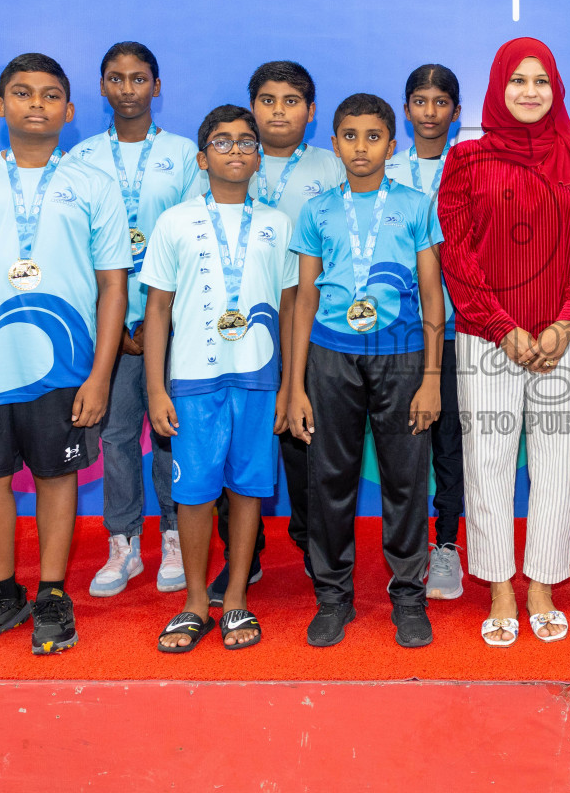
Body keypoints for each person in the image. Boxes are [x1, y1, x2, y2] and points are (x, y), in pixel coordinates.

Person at [0, 53, 130, 654]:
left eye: (49, 95)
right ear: (0, 105)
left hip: (64, 368)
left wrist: (100, 375)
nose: (35, 104)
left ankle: (53, 594)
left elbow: (114, 285)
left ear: (69, 110)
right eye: (21, 92)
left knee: (55, 477)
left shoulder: (94, 184)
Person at [437, 37, 570, 645]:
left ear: (556, 87)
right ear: (498, 88)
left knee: (558, 465)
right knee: (487, 465)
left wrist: (563, 323)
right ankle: (499, 584)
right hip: (489, 341)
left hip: (566, 340)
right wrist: (503, 328)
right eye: (518, 81)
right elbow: (456, 256)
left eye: (541, 80)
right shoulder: (466, 161)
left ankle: (542, 581)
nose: (530, 92)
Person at [287, 93, 444, 647]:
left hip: (401, 354)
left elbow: (431, 294)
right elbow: (304, 298)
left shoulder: (416, 205)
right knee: (330, 479)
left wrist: (431, 377)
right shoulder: (316, 211)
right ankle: (332, 596)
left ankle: (408, 596)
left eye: (373, 136)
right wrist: (296, 386)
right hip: (330, 356)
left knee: (405, 480)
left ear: (391, 143)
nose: (361, 147)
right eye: (349, 136)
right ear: (334, 145)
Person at [142, 105, 296, 652]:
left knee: (249, 489)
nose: (236, 150)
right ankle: (192, 602)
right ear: (203, 158)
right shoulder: (175, 221)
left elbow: (290, 306)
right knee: (195, 494)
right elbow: (157, 309)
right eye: (223, 142)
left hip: (257, 381)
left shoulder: (278, 225)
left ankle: (234, 599)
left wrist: (289, 386)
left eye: (246, 142)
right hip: (191, 381)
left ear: (259, 158)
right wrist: (156, 387)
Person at [206, 60, 346, 606]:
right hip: (233, 337)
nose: (279, 111)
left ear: (311, 112)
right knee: (232, 446)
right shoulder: (229, 159)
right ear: (251, 105)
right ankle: (244, 558)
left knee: (306, 447)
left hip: (309, 330)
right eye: (268, 99)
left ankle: (314, 548)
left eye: (292, 101)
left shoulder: (331, 168)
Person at [71, 42, 203, 599]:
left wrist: (157, 319)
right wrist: (118, 324)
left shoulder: (184, 153)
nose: (128, 89)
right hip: (111, 326)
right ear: (101, 87)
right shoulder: (79, 159)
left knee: (170, 434)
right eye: (116, 79)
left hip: (170, 320)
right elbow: (77, 249)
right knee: (119, 433)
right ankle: (122, 542)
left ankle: (173, 533)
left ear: (157, 85)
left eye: (139, 78)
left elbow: (195, 238)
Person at [383, 64, 465, 600]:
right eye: (420, 101)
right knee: (404, 448)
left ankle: (447, 547)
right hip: (398, 332)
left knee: (451, 446)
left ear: (457, 112)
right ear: (407, 108)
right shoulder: (382, 168)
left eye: (441, 102)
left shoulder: (471, 165)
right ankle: (407, 548)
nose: (430, 112)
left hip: (463, 329)